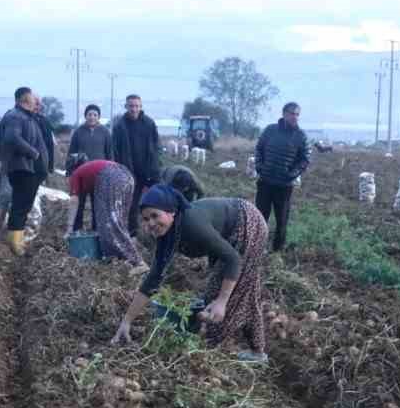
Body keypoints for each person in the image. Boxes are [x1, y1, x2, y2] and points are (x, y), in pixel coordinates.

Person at [111, 184, 269, 362]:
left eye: (155, 215)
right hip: (228, 232)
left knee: (230, 294)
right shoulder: (165, 236)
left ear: (171, 211)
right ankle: (255, 351)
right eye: (146, 219)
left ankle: (211, 354)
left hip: (247, 223)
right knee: (231, 291)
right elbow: (153, 280)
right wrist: (127, 321)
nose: (151, 224)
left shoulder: (191, 224)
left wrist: (222, 301)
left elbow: (233, 259)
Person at [0, 87, 49, 255]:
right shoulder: (15, 116)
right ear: (25, 100)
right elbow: (12, 138)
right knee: (20, 206)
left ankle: (16, 241)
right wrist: (33, 152)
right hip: (22, 168)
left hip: (31, 170)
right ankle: (15, 244)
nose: (36, 102)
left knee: (23, 206)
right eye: (34, 99)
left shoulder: (27, 116)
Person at [254, 101, 311, 252]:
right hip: (265, 182)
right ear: (284, 114)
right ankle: (257, 247)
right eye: (292, 113)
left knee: (282, 221)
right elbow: (259, 149)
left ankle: (276, 251)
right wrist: (260, 167)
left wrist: (291, 174)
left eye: (297, 114)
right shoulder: (270, 130)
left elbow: (305, 159)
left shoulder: (301, 136)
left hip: (284, 186)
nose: (295, 117)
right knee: (260, 217)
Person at [68, 158, 144, 265]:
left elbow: (73, 201)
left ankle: (135, 261)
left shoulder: (75, 174)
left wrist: (69, 228)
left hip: (109, 177)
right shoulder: (89, 171)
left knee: (107, 224)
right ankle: (123, 261)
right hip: (127, 176)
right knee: (119, 222)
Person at [111, 94, 161, 235]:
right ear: (126, 107)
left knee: (156, 202)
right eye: (131, 106)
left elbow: (156, 146)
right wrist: (118, 169)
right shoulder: (120, 126)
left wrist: (156, 166)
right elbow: (114, 150)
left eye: (136, 106)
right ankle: (134, 234)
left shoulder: (149, 123)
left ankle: (157, 232)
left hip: (149, 170)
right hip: (129, 171)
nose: (134, 109)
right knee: (132, 205)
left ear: (141, 106)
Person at [67, 104, 111, 174]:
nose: (92, 117)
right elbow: (72, 152)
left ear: (99, 117)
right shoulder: (78, 132)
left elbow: (109, 152)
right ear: (85, 116)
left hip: (101, 169)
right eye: (89, 114)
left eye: (95, 115)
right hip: (82, 169)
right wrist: (69, 170)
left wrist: (110, 168)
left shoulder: (105, 132)